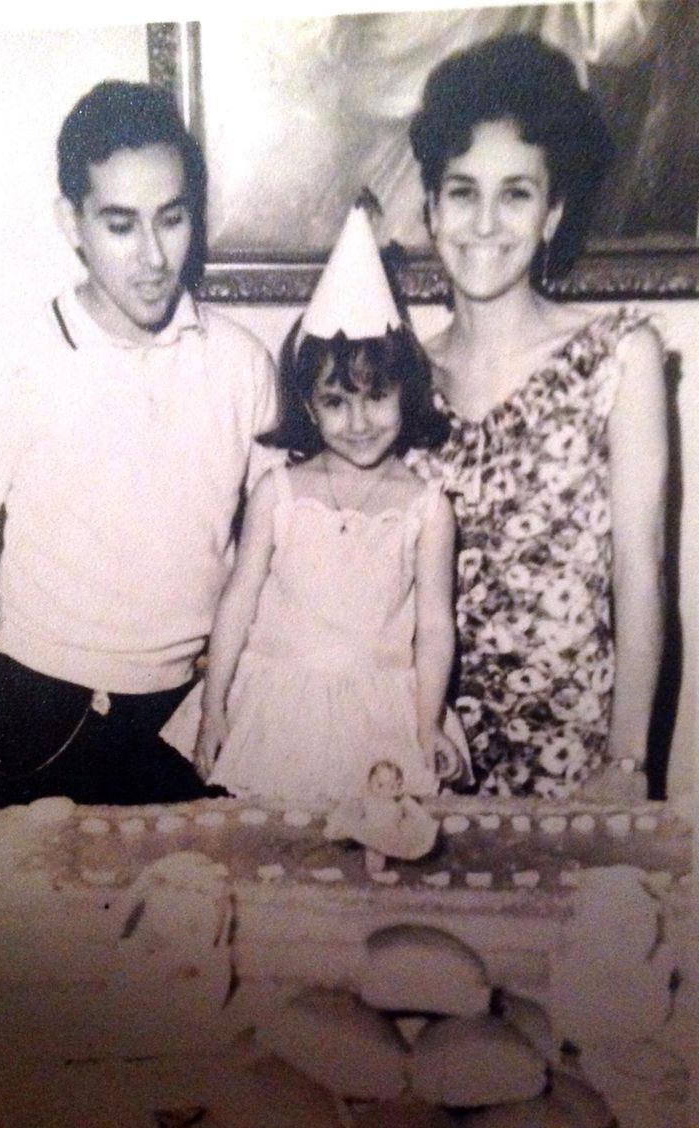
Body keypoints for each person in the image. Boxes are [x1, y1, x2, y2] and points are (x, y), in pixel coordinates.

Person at [0, 80, 277, 810]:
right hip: (41, 712)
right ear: (71, 222)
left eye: (170, 219)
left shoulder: (243, 363)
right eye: (120, 224)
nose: (151, 255)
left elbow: (277, 545)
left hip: (189, 710)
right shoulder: (12, 359)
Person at [405, 33, 667, 800]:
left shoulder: (619, 357)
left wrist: (626, 762)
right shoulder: (397, 380)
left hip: (572, 765)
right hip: (419, 763)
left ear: (551, 213)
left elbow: (639, 574)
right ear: (430, 208)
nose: (485, 222)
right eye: (461, 191)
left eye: (515, 193)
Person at [162, 203, 471, 801]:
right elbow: (237, 604)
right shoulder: (278, 493)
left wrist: (428, 720)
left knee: (374, 857)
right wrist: (214, 706)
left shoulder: (427, 508)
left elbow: (434, 627)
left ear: (406, 392)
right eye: (336, 402)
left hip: (378, 713)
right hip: (277, 708)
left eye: (377, 396)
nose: (359, 421)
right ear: (307, 405)